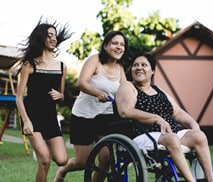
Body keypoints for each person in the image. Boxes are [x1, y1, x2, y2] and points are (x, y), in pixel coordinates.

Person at [115, 52, 213, 182]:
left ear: (152, 71)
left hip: (169, 134)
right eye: (135, 65)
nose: (139, 67)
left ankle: (210, 179)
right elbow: (125, 111)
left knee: (199, 136)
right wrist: (156, 118)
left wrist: (194, 125)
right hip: (143, 135)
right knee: (172, 139)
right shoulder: (128, 86)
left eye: (144, 65)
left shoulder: (158, 90)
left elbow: (177, 112)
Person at [54, 30, 129, 182]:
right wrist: (97, 93)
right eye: (115, 43)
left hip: (106, 118)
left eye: (122, 44)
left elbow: (124, 91)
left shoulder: (121, 69)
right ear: (106, 45)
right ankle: (62, 171)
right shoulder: (95, 60)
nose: (119, 47)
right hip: (84, 116)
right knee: (83, 162)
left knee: (106, 159)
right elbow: (81, 82)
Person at [16, 17, 73, 182]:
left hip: (50, 117)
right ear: (41, 38)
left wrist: (61, 96)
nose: (53, 38)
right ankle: (41, 149)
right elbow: (19, 98)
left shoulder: (62, 66)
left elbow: (62, 96)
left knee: (62, 160)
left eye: (54, 35)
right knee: (45, 160)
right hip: (32, 116)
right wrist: (26, 121)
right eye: (49, 35)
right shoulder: (29, 65)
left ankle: (42, 146)